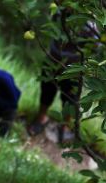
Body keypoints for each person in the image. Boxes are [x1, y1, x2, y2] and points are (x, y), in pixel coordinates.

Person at [28, 12, 99, 142]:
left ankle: (65, 126)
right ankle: (41, 118)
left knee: (70, 99)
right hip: (52, 60)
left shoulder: (90, 25)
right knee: (47, 90)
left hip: (73, 69)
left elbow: (96, 46)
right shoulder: (59, 14)